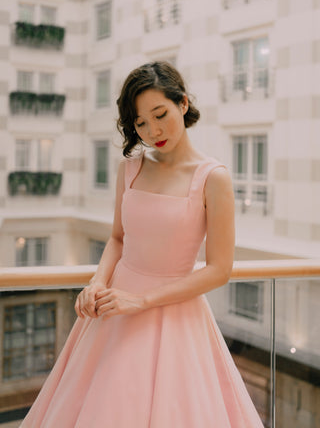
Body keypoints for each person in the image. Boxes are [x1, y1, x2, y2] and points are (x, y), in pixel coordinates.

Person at [20, 61, 264, 427]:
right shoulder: (130, 168)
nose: (153, 131)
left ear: (183, 104)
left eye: (160, 114)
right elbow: (118, 238)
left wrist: (143, 300)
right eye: (140, 123)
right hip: (114, 307)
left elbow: (219, 270)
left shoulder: (213, 178)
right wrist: (97, 283)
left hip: (174, 311)